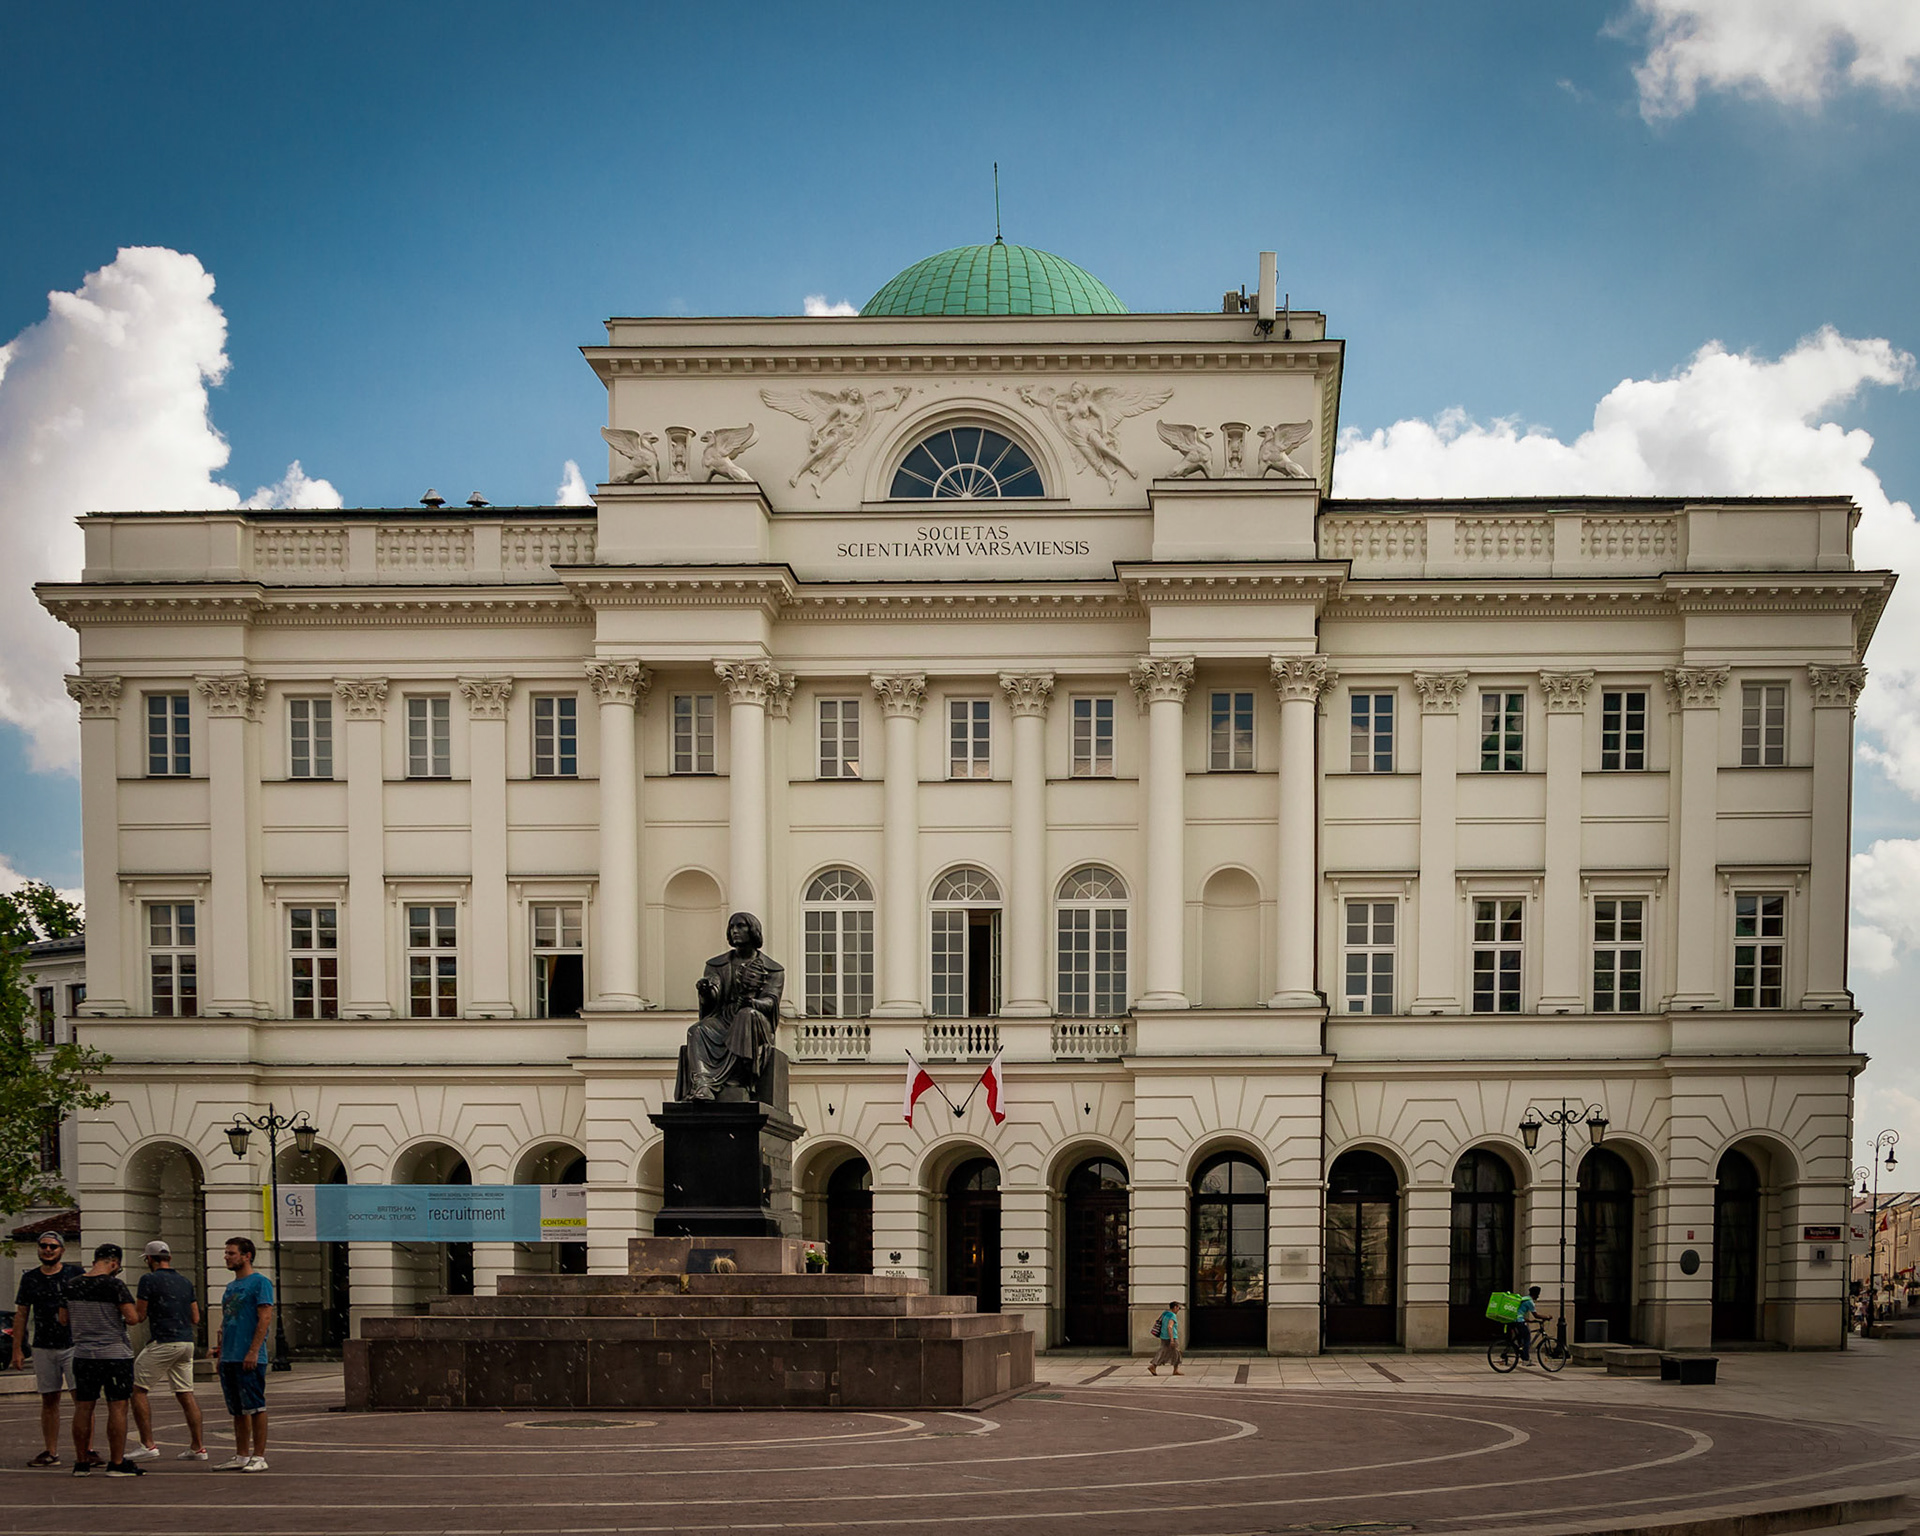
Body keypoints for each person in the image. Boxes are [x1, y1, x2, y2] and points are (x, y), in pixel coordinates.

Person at [58, 1243, 142, 1477]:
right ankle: (116, 1462)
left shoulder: (72, 1285)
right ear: (114, 1263)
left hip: (83, 1354)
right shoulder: (114, 1285)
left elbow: (63, 1319)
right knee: (117, 1406)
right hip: (115, 1354)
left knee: (83, 1407)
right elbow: (133, 1318)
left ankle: (81, 1462)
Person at [682, 911, 784, 1101]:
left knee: (746, 1016)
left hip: (755, 1020)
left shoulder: (772, 969)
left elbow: (771, 1001)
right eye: (732, 927)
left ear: (753, 930)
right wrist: (706, 990)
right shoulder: (716, 965)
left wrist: (752, 1002)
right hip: (725, 1018)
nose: (735, 931)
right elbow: (714, 992)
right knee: (697, 1030)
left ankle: (739, 1080)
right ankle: (703, 1084)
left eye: (740, 926)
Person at [12, 1232, 88, 1469]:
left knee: (82, 1399)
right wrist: (17, 1348)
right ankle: (51, 1450)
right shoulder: (31, 1278)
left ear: (62, 1250)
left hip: (73, 1343)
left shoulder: (75, 1274)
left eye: (52, 1247)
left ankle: (86, 1450)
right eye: (43, 1246)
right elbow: (22, 1313)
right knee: (49, 1399)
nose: (47, 1250)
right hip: (43, 1345)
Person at [128, 1240, 206, 1461]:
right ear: (169, 1258)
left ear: (149, 1259)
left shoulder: (148, 1279)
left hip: (163, 1341)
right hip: (186, 1343)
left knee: (138, 1390)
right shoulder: (184, 1281)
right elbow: (195, 1317)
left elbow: (139, 1316)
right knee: (185, 1393)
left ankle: (147, 1445)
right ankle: (198, 1447)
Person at [217, 1237, 274, 1472]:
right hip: (229, 1356)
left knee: (255, 1406)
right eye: (227, 1253)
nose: (227, 1257)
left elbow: (265, 1317)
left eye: (231, 1253)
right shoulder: (231, 1287)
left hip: (249, 1356)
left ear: (246, 1255)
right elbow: (227, 1320)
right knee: (238, 1409)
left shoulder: (260, 1283)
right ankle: (241, 1454)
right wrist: (219, 1349)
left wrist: (253, 1350)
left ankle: (259, 1456)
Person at [1147, 1300, 1183, 1376]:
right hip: (1171, 1337)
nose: (1178, 1310)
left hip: (1163, 1336)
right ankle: (1174, 1370)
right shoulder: (1172, 1315)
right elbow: (1170, 1327)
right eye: (1178, 1308)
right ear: (1175, 1307)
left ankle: (1154, 1366)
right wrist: (1172, 1340)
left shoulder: (1165, 1313)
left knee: (1163, 1351)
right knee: (1177, 1353)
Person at [1511, 1285, 1543, 1362]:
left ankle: (1521, 1350)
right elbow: (1536, 1315)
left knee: (1522, 1337)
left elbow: (1519, 1312)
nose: (1538, 1297)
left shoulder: (1524, 1298)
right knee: (1527, 1336)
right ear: (1535, 1294)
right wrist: (1547, 1317)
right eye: (1538, 1295)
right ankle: (1526, 1358)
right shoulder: (1530, 1302)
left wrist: (1529, 1321)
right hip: (1519, 1321)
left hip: (1514, 1320)